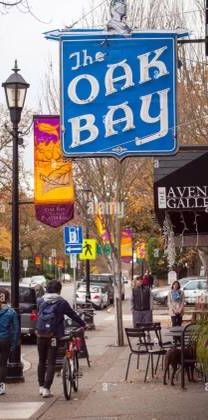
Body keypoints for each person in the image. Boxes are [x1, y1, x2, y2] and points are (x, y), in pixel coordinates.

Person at [36, 280, 86, 398]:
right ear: (59, 290)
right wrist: (83, 324)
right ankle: (47, 389)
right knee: (51, 361)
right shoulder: (61, 302)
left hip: (40, 334)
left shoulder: (40, 300)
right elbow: (72, 315)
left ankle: (41, 387)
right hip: (53, 336)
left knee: (41, 361)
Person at [0, 287, 19, 396]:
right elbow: (16, 330)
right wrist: (14, 344)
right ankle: (1, 386)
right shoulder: (11, 312)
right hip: (5, 339)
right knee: (2, 364)